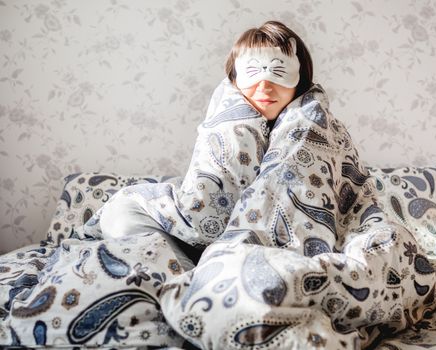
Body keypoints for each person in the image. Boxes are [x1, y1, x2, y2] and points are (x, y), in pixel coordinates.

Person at [80, 20, 316, 268]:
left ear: (300, 79)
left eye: (279, 72)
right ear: (235, 80)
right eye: (253, 72)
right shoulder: (223, 127)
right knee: (120, 214)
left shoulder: (316, 132)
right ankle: (190, 282)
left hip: (260, 247)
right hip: (188, 238)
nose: (265, 86)